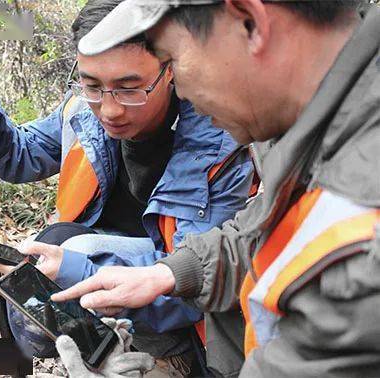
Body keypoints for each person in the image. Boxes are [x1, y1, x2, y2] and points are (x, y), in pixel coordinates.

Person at [0, 0, 254, 374]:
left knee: (75, 248)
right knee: (39, 278)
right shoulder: (84, 111)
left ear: (172, 67)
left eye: (130, 88)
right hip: (105, 307)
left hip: (182, 319)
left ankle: (172, 361)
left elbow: (200, 276)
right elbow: (20, 154)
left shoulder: (220, 141)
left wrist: (77, 270)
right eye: (92, 85)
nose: (109, 110)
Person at [52, 0, 380, 377]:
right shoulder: (329, 122)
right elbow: (262, 231)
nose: (182, 93)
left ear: (249, 22)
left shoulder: (360, 251)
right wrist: (167, 274)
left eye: (172, 58)